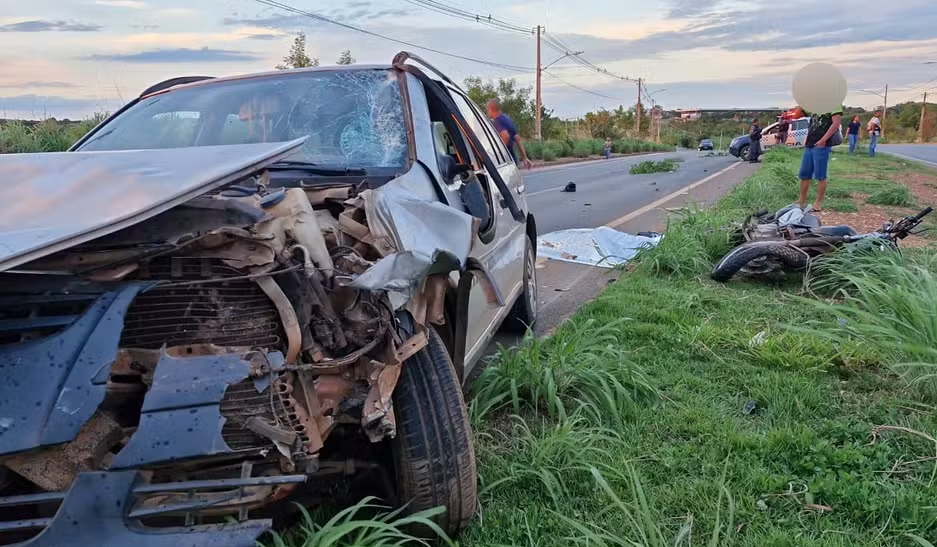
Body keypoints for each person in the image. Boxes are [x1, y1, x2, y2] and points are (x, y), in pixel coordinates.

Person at [793, 104, 843, 212]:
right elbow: (796, 115)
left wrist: (823, 140)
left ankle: (818, 202)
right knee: (804, 174)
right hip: (810, 143)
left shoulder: (835, 103)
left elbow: (836, 123)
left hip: (822, 145)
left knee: (820, 175)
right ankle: (801, 200)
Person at [485, 99, 532, 169]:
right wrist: (524, 157)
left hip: (504, 161)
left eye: (487, 110)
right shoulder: (507, 119)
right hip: (512, 159)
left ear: (491, 109)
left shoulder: (498, 121)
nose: (487, 112)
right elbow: (517, 138)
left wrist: (498, 153)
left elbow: (506, 136)